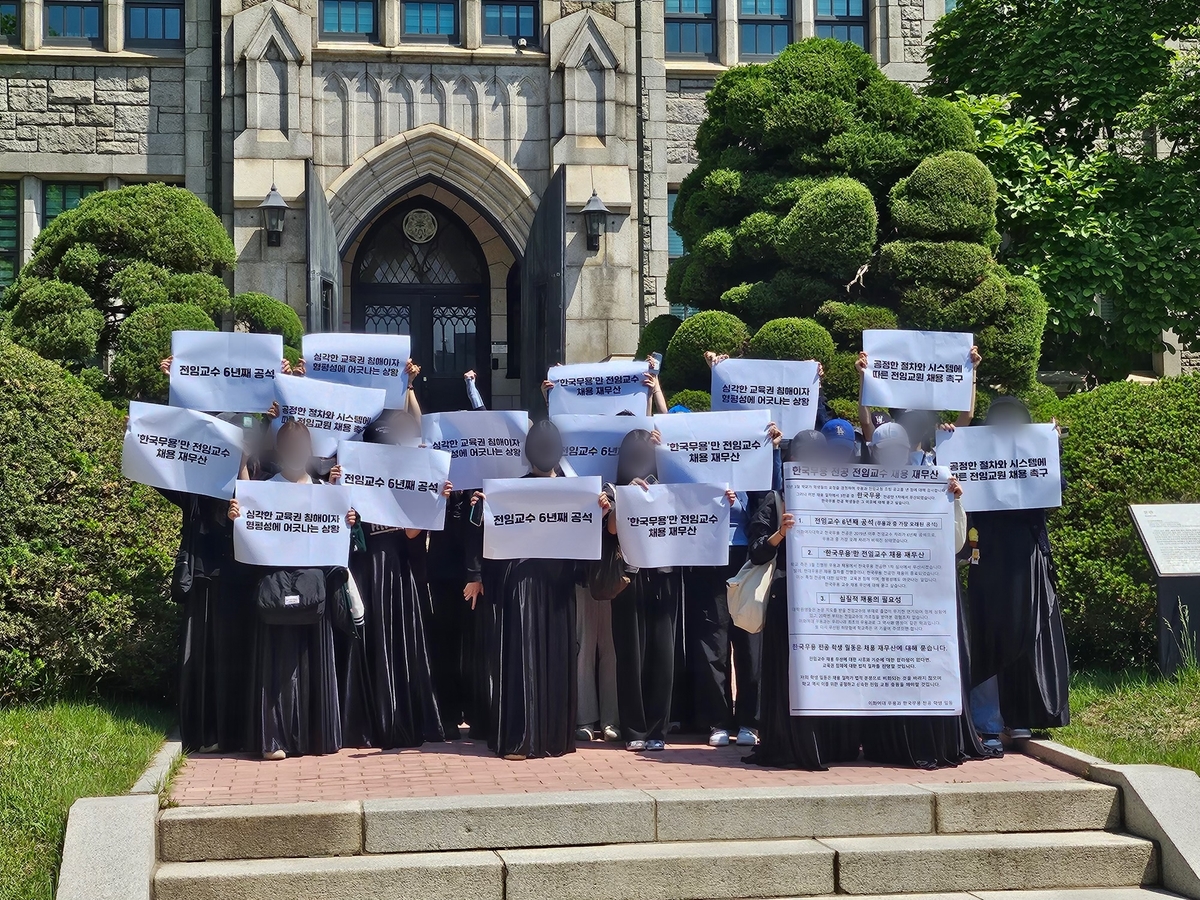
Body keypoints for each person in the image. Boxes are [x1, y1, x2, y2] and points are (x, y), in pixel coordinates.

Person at [465, 419, 610, 759]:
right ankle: (521, 737)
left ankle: (553, 736)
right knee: (522, 657)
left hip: (558, 584)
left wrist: (601, 511)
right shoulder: (509, 490)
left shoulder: (579, 492)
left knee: (557, 654)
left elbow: (591, 539)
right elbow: (478, 529)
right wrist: (479, 509)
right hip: (521, 583)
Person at [859, 422, 998, 768]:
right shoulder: (860, 488)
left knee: (934, 662)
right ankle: (890, 744)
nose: (893, 456)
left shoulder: (932, 483)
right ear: (874, 452)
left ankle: (938, 740)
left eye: (899, 449)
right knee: (889, 669)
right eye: (884, 449)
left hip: (931, 593)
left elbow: (955, 542)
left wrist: (952, 501)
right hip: (886, 595)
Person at [230, 420, 355, 760]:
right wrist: (239, 516)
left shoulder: (324, 491)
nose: (296, 455)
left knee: (312, 660)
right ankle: (275, 740)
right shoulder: (265, 489)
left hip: (315, 590)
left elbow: (340, 540)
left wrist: (346, 522)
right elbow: (250, 531)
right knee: (278, 666)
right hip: (277, 589)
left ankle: (317, 737)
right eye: (289, 448)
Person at [745, 429, 862, 770]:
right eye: (803, 458)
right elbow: (755, 553)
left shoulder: (842, 497)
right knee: (790, 678)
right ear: (789, 462)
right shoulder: (775, 500)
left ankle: (834, 744)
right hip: (788, 603)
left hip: (831, 606)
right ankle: (789, 743)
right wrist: (780, 534)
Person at [339, 408, 450, 749]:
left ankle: (402, 719)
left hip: (398, 575)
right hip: (364, 570)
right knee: (366, 642)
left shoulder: (406, 480)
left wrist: (433, 500)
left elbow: (414, 534)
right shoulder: (352, 479)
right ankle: (365, 724)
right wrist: (345, 510)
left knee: (401, 644)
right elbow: (343, 529)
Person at [967, 396, 1070, 737]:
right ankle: (989, 720)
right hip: (986, 557)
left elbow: (1056, 493)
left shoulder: (1035, 452)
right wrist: (954, 438)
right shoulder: (974, 453)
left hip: (1028, 557)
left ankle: (1022, 715)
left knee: (1029, 632)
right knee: (988, 634)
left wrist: (1050, 450)